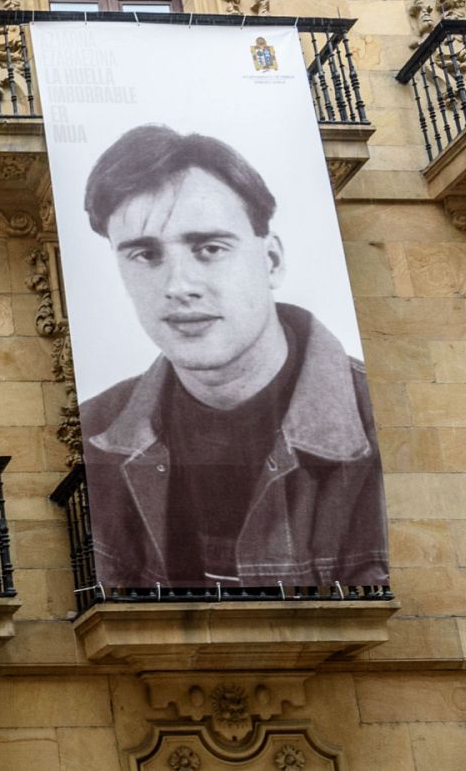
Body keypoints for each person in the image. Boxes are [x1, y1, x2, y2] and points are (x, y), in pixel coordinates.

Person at [77, 124, 387, 588]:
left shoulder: (380, 421)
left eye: (210, 248)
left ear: (272, 260)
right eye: (145, 255)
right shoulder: (92, 433)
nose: (179, 286)